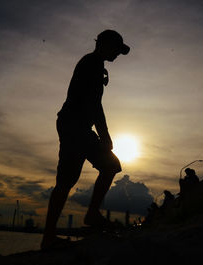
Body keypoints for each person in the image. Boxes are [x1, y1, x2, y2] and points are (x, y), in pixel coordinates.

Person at [41, 30, 130, 250]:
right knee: (66, 181)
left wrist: (102, 133)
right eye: (116, 49)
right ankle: (49, 238)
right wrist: (105, 134)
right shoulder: (91, 63)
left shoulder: (97, 65)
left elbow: (95, 104)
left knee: (110, 166)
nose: (118, 54)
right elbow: (93, 103)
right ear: (104, 44)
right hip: (73, 126)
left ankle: (91, 214)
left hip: (80, 127)